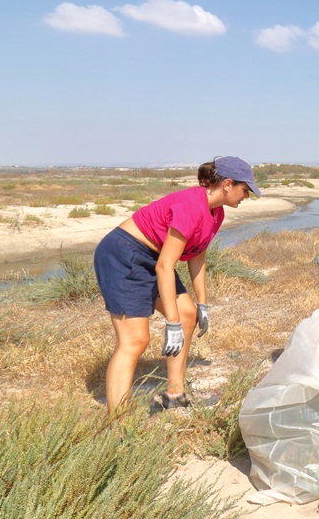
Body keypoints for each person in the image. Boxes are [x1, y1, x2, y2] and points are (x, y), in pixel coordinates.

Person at [93, 156, 260, 413]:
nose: (246, 196)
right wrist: (170, 324)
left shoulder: (217, 212)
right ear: (227, 183)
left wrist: (202, 303)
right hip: (124, 254)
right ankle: (117, 426)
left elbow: (197, 255)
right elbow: (165, 266)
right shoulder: (191, 206)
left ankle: (175, 394)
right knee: (135, 340)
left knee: (187, 314)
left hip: (154, 256)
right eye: (245, 190)